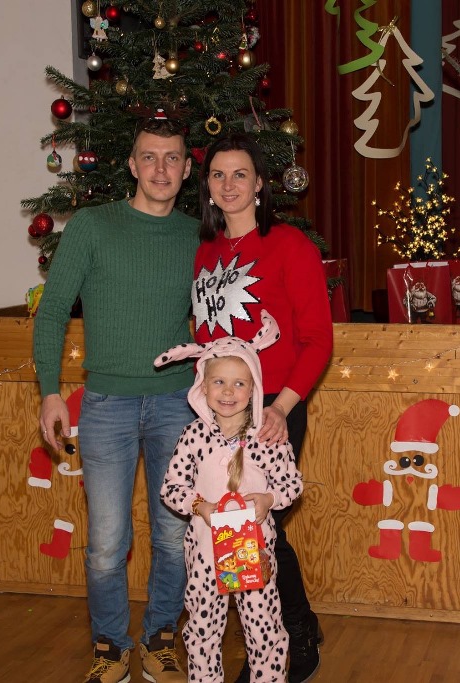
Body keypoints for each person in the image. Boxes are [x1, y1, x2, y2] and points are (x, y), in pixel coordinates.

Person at [34, 112, 198, 683]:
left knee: (174, 536)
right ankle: (110, 647)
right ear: (132, 165)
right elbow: (53, 311)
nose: (161, 169)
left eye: (172, 158)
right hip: (107, 405)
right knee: (106, 542)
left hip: (179, 405)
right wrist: (50, 393)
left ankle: (160, 638)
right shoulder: (91, 226)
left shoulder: (197, 236)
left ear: (186, 169)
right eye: (149, 157)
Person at [191, 132, 333, 683]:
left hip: (274, 405)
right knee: (235, 525)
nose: (229, 185)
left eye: (240, 174)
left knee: (259, 520)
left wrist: (281, 408)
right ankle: (272, 636)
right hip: (218, 412)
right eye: (218, 174)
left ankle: (291, 635)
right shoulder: (206, 251)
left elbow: (317, 340)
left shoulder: (289, 246)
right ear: (207, 185)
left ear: (259, 184)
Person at [157, 310, 303, 683]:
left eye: (239, 384)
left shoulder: (267, 436)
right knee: (203, 631)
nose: (227, 392)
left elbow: (291, 484)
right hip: (205, 552)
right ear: (203, 386)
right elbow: (171, 487)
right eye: (219, 382)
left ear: (253, 388)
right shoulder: (193, 436)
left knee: (263, 628)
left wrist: (268, 500)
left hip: (255, 550)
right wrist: (199, 506)